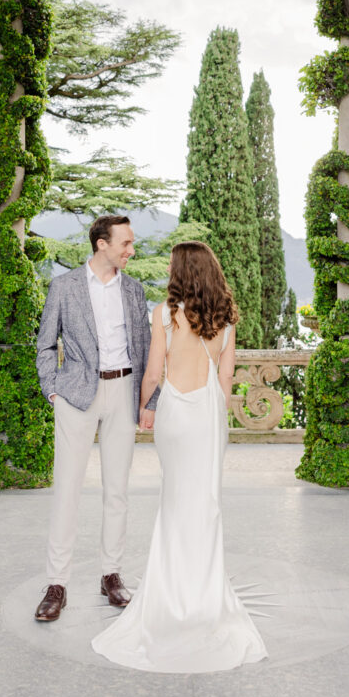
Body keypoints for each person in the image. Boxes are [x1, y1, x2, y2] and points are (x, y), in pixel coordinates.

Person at [91, 241, 268, 672]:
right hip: (208, 414)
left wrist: (144, 409)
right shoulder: (226, 318)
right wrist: (217, 424)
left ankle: (171, 596)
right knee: (206, 504)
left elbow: (154, 372)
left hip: (173, 410)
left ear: (182, 271)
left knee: (174, 502)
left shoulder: (164, 315)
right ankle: (205, 598)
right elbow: (225, 380)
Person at [34, 215, 158, 622]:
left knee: (117, 490)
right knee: (67, 489)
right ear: (101, 244)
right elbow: (46, 345)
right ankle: (57, 585)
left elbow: (146, 349)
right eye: (125, 243)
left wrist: (147, 401)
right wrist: (53, 390)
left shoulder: (135, 290)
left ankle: (111, 575)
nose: (131, 250)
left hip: (123, 392)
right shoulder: (64, 287)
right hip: (76, 395)